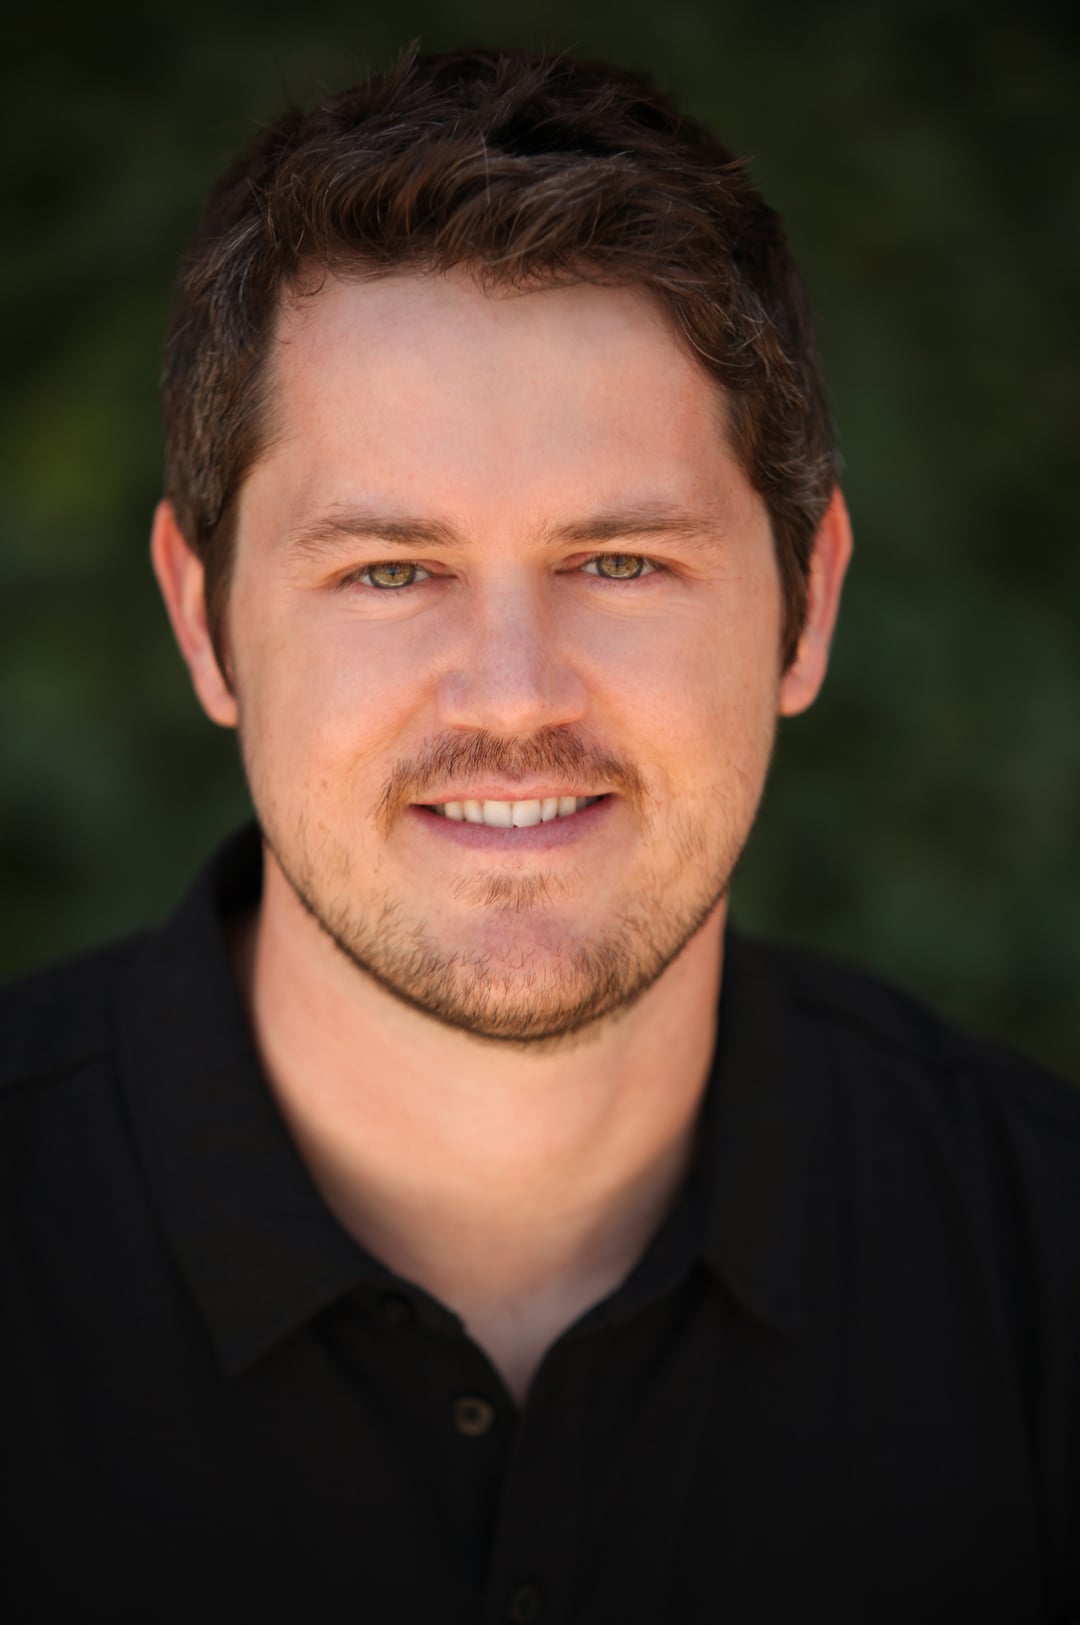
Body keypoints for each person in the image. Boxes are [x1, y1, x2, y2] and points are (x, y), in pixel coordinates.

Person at [2, 45, 1077, 1625]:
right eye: (389, 572)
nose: (513, 694)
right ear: (202, 619)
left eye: (621, 561)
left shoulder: (1045, 1260)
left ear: (809, 602)